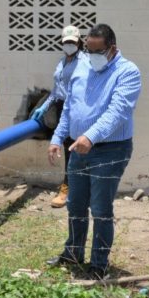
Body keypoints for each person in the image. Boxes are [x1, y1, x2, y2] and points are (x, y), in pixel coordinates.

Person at [45, 23, 142, 280]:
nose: (92, 55)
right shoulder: (82, 67)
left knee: (100, 207)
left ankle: (99, 263)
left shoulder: (127, 72)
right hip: (79, 147)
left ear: (112, 49)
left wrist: (91, 135)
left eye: (98, 51)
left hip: (110, 150)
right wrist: (58, 137)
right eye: (89, 49)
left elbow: (118, 112)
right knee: (75, 204)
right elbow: (69, 108)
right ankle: (73, 252)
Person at [32, 25, 88, 208]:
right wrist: (45, 107)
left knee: (77, 150)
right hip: (62, 107)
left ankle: (72, 190)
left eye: (73, 42)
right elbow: (56, 91)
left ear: (79, 42)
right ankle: (68, 188)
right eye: (67, 42)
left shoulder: (85, 62)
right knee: (67, 150)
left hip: (77, 109)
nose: (70, 45)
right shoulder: (61, 62)